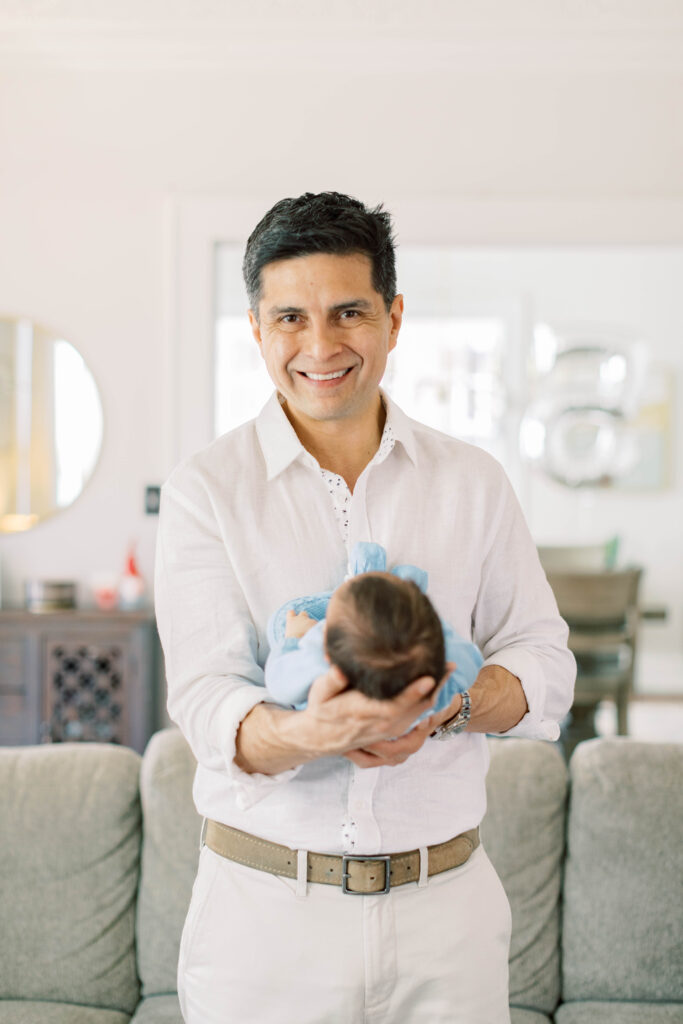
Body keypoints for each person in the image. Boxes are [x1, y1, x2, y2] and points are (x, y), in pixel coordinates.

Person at [155, 191, 576, 1024]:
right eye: (289, 319)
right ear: (255, 328)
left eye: (349, 311)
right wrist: (313, 734)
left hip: (443, 921)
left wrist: (448, 705)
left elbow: (543, 662)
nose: (319, 346)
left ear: (392, 317)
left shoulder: (472, 482)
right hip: (266, 924)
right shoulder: (206, 491)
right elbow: (208, 702)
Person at [264, 540, 483, 714]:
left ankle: (370, 584)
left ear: (327, 652)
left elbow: (279, 681)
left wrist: (296, 636)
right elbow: (471, 659)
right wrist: (427, 627)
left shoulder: (322, 665)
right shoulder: (433, 688)